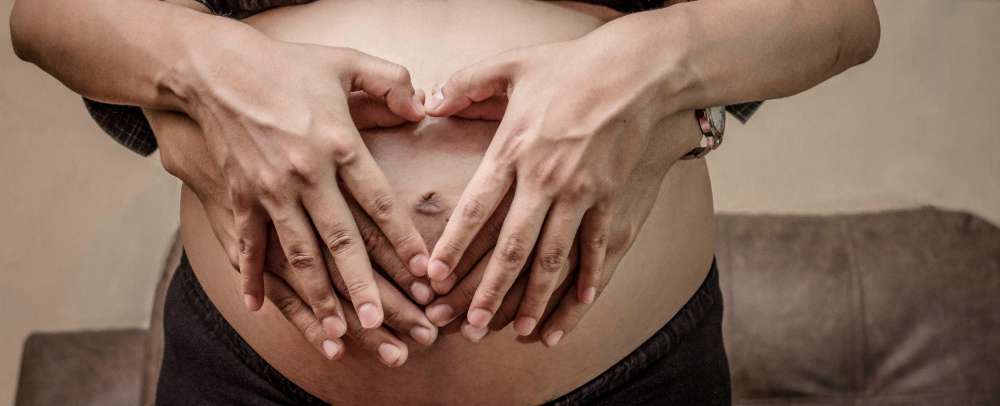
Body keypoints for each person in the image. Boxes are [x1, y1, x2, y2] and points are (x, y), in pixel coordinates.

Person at [10, 0, 880, 404]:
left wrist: (659, 60)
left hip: (628, 374)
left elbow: (843, 19)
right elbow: (43, 17)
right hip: (257, 377)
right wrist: (204, 67)